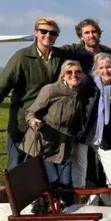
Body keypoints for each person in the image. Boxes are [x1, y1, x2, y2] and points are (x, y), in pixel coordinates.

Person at [0, 17, 65, 169]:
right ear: (35, 33)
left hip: (49, 124)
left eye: (53, 33)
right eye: (43, 31)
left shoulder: (61, 57)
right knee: (17, 168)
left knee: (42, 171)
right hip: (22, 123)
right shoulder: (22, 57)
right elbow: (1, 85)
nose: (48, 35)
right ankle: (13, 194)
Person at [62, 19, 111, 190]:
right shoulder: (76, 55)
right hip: (84, 113)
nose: (91, 35)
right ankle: (90, 193)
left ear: (99, 33)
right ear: (81, 36)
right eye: (86, 32)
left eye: (94, 32)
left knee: (105, 156)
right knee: (85, 159)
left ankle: (105, 194)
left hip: (105, 113)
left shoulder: (109, 53)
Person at [73, 53, 111, 203]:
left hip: (105, 136)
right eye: (101, 67)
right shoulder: (88, 85)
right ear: (96, 70)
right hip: (85, 134)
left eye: (108, 67)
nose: (105, 71)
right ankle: (78, 204)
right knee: (80, 171)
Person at [24, 60, 85, 194]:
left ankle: (65, 211)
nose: (74, 75)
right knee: (53, 181)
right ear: (63, 75)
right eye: (69, 72)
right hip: (46, 143)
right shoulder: (51, 90)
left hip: (65, 145)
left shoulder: (81, 93)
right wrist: (32, 120)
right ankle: (47, 210)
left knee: (66, 182)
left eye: (77, 72)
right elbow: (31, 111)